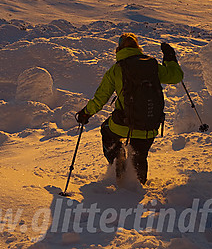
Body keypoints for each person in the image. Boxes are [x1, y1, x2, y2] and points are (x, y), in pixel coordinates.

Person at [75, 33, 183, 184]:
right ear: (138, 48)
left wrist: (85, 113)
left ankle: (117, 161)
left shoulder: (116, 69)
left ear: (118, 49)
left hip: (123, 124)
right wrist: (170, 58)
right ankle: (137, 185)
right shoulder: (152, 66)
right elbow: (176, 77)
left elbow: (100, 99)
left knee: (107, 131)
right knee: (139, 155)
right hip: (149, 125)